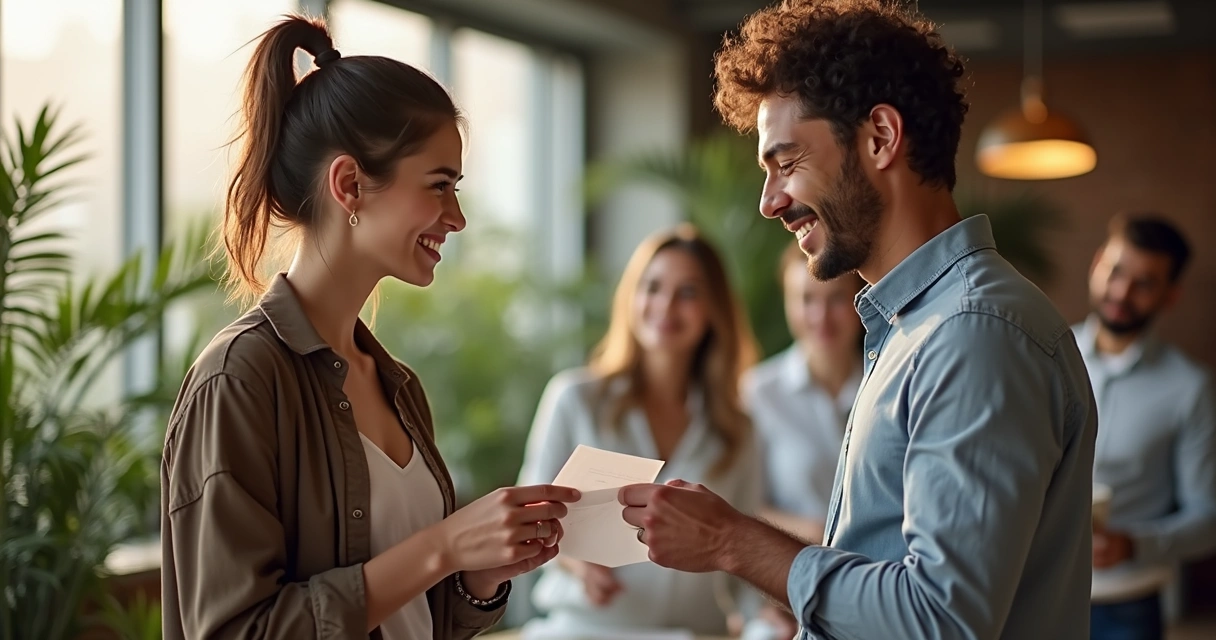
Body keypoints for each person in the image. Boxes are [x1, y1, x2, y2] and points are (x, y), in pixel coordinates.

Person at [617, 2, 1098, 639]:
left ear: (880, 137)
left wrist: (734, 542)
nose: (769, 202)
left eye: (786, 163)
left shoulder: (974, 334)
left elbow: (940, 620)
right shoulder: (913, 329)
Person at [159, 16, 578, 640]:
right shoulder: (240, 378)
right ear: (350, 185)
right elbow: (232, 630)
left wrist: (478, 575)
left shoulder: (397, 386)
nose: (456, 217)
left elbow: (415, 617)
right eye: (439, 186)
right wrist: (442, 546)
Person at [517, 224, 763, 636]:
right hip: (587, 629)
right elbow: (527, 518)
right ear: (631, 298)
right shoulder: (575, 399)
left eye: (688, 292)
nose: (666, 306)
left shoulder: (739, 432)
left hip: (694, 634)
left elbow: (745, 556)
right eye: (652, 287)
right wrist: (575, 564)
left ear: (713, 309)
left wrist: (766, 621)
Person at [1076, 214, 1216, 640]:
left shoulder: (1190, 388)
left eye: (1145, 283)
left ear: (1170, 296)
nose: (1122, 292)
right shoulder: (1044, 359)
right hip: (1037, 590)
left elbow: (1208, 518)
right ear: (1097, 263)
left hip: (1128, 606)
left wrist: (1133, 545)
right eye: (1116, 271)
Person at [742, 240, 864, 640]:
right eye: (805, 299)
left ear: (859, 301)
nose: (820, 316)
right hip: (784, 580)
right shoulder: (758, 393)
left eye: (835, 300)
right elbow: (742, 502)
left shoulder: (887, 387)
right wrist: (815, 530)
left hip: (873, 581)